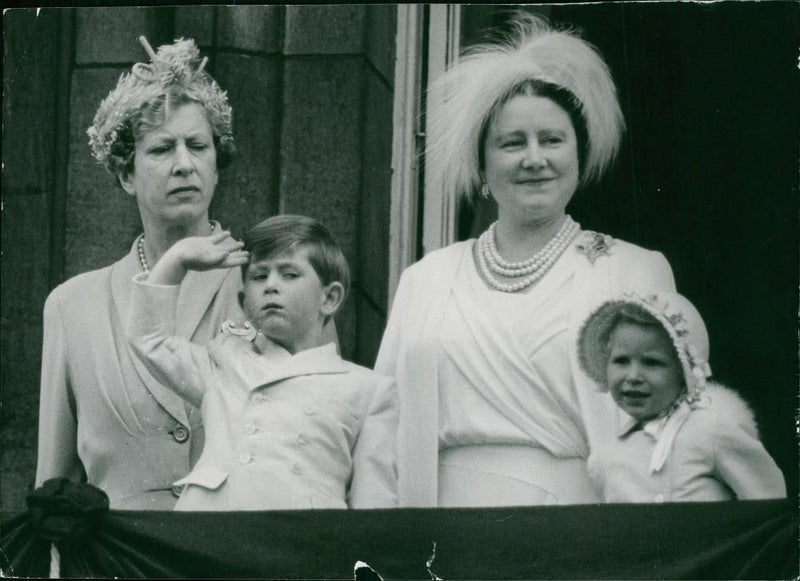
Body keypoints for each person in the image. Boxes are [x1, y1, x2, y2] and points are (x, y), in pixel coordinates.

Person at [375, 14, 677, 507]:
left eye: (552, 140)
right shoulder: (425, 279)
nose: (534, 158)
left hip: (579, 534)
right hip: (439, 538)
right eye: (512, 142)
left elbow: (669, 433)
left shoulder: (632, 271)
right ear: (483, 169)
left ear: (578, 157)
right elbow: (381, 430)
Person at [35, 37, 246, 509]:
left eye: (198, 146)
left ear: (217, 166)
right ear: (126, 173)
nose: (184, 165)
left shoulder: (267, 285)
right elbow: (54, 492)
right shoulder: (72, 306)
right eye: (161, 149)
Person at [125, 215, 398, 510]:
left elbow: (374, 509)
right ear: (244, 303)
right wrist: (176, 260)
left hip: (303, 543)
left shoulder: (367, 390)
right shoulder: (223, 364)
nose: (271, 286)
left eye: (289, 274)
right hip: (209, 534)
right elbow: (149, 339)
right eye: (259, 276)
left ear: (329, 298)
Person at [578, 291, 786, 502]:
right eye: (621, 361)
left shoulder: (712, 430)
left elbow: (769, 509)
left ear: (683, 370)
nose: (633, 376)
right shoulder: (607, 456)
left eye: (652, 362)